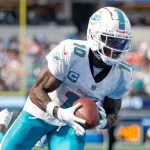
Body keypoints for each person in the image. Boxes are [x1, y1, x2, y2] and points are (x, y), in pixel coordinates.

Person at [0, 7, 133, 150]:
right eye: (112, 41)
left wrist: (104, 121)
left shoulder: (122, 73)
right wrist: (59, 112)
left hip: (71, 125)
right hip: (40, 113)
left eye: (121, 42)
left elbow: (112, 113)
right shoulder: (71, 52)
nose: (117, 49)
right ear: (94, 35)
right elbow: (36, 91)